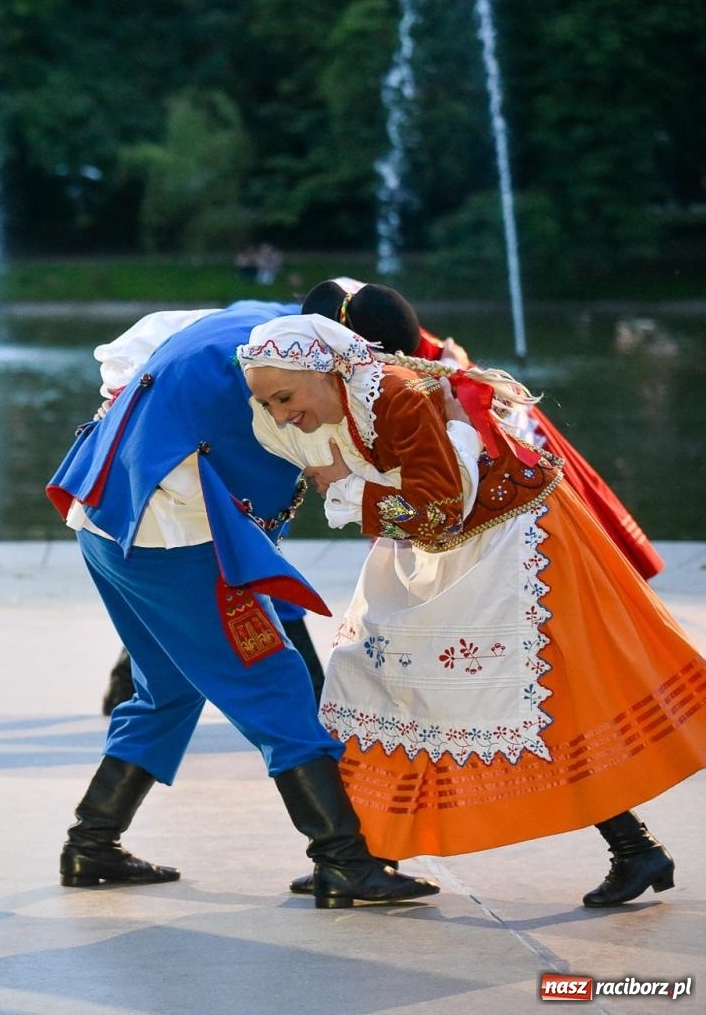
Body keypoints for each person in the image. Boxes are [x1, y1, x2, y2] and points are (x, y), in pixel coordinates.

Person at [238, 312, 706, 908]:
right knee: (373, 682)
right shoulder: (347, 397)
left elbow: (438, 512)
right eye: (268, 403)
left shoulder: (398, 396)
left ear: (328, 367)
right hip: (449, 545)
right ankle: (357, 855)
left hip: (514, 541)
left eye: (283, 398)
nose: (279, 414)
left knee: (543, 701)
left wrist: (345, 485)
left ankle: (634, 846)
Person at [45, 301, 440, 909]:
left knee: (168, 688)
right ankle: (342, 859)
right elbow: (350, 473)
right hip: (173, 537)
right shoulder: (299, 368)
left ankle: (91, 842)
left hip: (102, 514)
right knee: (275, 684)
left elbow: (125, 360)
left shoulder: (247, 318)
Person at [300, 278, 666, 580]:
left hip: (475, 540)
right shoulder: (412, 360)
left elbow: (435, 513)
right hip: (482, 510)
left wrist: (347, 485)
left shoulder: (407, 399)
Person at [91, 309, 326, 713]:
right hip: (166, 466)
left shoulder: (279, 334)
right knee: (276, 687)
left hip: (146, 468)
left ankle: (130, 686)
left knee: (164, 692)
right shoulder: (280, 355)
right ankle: (312, 702)